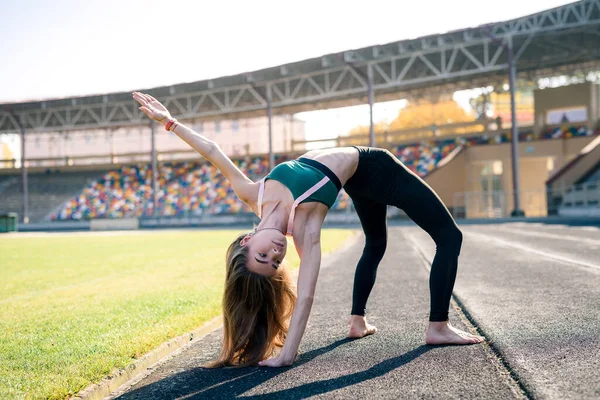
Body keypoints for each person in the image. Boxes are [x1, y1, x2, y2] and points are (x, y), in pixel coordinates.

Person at [133, 92, 485, 368]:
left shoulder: (250, 193)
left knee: (376, 242)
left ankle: (357, 323)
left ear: (246, 239)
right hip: (376, 169)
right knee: (450, 237)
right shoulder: (306, 229)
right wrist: (288, 353)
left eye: (262, 255)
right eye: (275, 263)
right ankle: (438, 326)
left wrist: (168, 122)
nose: (276, 253)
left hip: (360, 174)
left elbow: (212, 151)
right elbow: (305, 297)